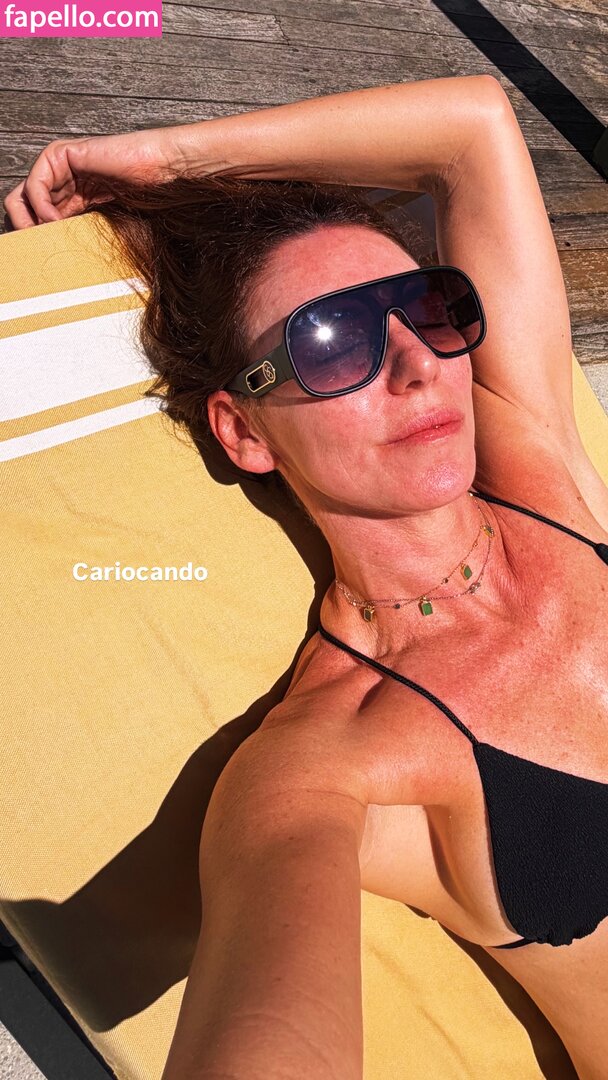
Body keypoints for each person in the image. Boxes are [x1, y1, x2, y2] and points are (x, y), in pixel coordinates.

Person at [5, 74, 608, 1080]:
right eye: (330, 344)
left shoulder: (539, 471)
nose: (416, 364)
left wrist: (165, 162)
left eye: (424, 310)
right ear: (243, 431)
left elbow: (471, 128)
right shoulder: (325, 758)